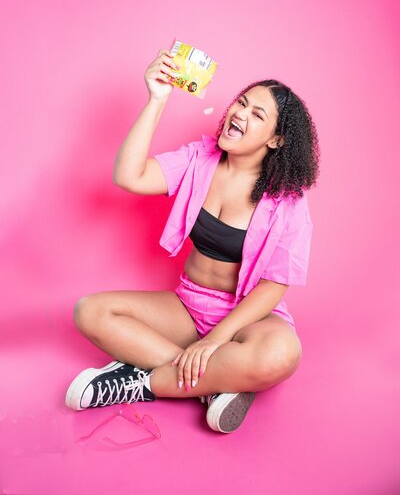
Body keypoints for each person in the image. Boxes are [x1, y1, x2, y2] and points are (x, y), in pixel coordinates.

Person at [65, 47, 320, 433]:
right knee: (90, 311)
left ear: (276, 141)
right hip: (187, 305)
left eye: (257, 115)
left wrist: (217, 339)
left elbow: (273, 286)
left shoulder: (287, 202)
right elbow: (129, 176)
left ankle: (143, 383)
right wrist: (157, 98)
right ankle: (211, 387)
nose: (239, 114)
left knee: (283, 354)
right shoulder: (198, 160)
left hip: (247, 316)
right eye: (242, 103)